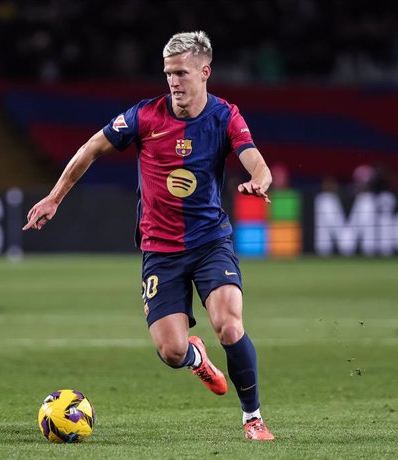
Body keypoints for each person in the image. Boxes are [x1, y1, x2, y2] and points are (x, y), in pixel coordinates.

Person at [24, 31, 274, 441]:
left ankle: (253, 418)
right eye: (168, 73)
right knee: (171, 351)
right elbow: (90, 148)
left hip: (211, 242)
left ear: (204, 72)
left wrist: (259, 181)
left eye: (181, 73)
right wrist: (54, 198)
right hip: (160, 251)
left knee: (229, 325)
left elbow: (257, 163)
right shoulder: (144, 116)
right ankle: (196, 357)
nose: (173, 81)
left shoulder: (226, 116)